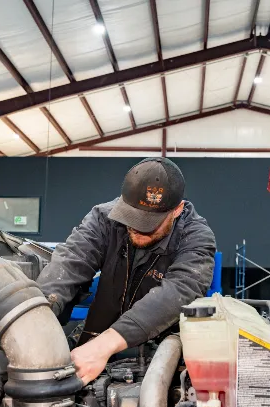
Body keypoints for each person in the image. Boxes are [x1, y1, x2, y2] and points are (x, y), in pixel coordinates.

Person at [37, 157, 216, 385]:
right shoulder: (104, 218)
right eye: (132, 218)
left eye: (150, 222)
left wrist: (105, 345)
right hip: (98, 333)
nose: (139, 228)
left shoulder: (196, 236)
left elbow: (180, 290)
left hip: (161, 346)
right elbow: (69, 263)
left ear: (177, 210)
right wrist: (38, 316)